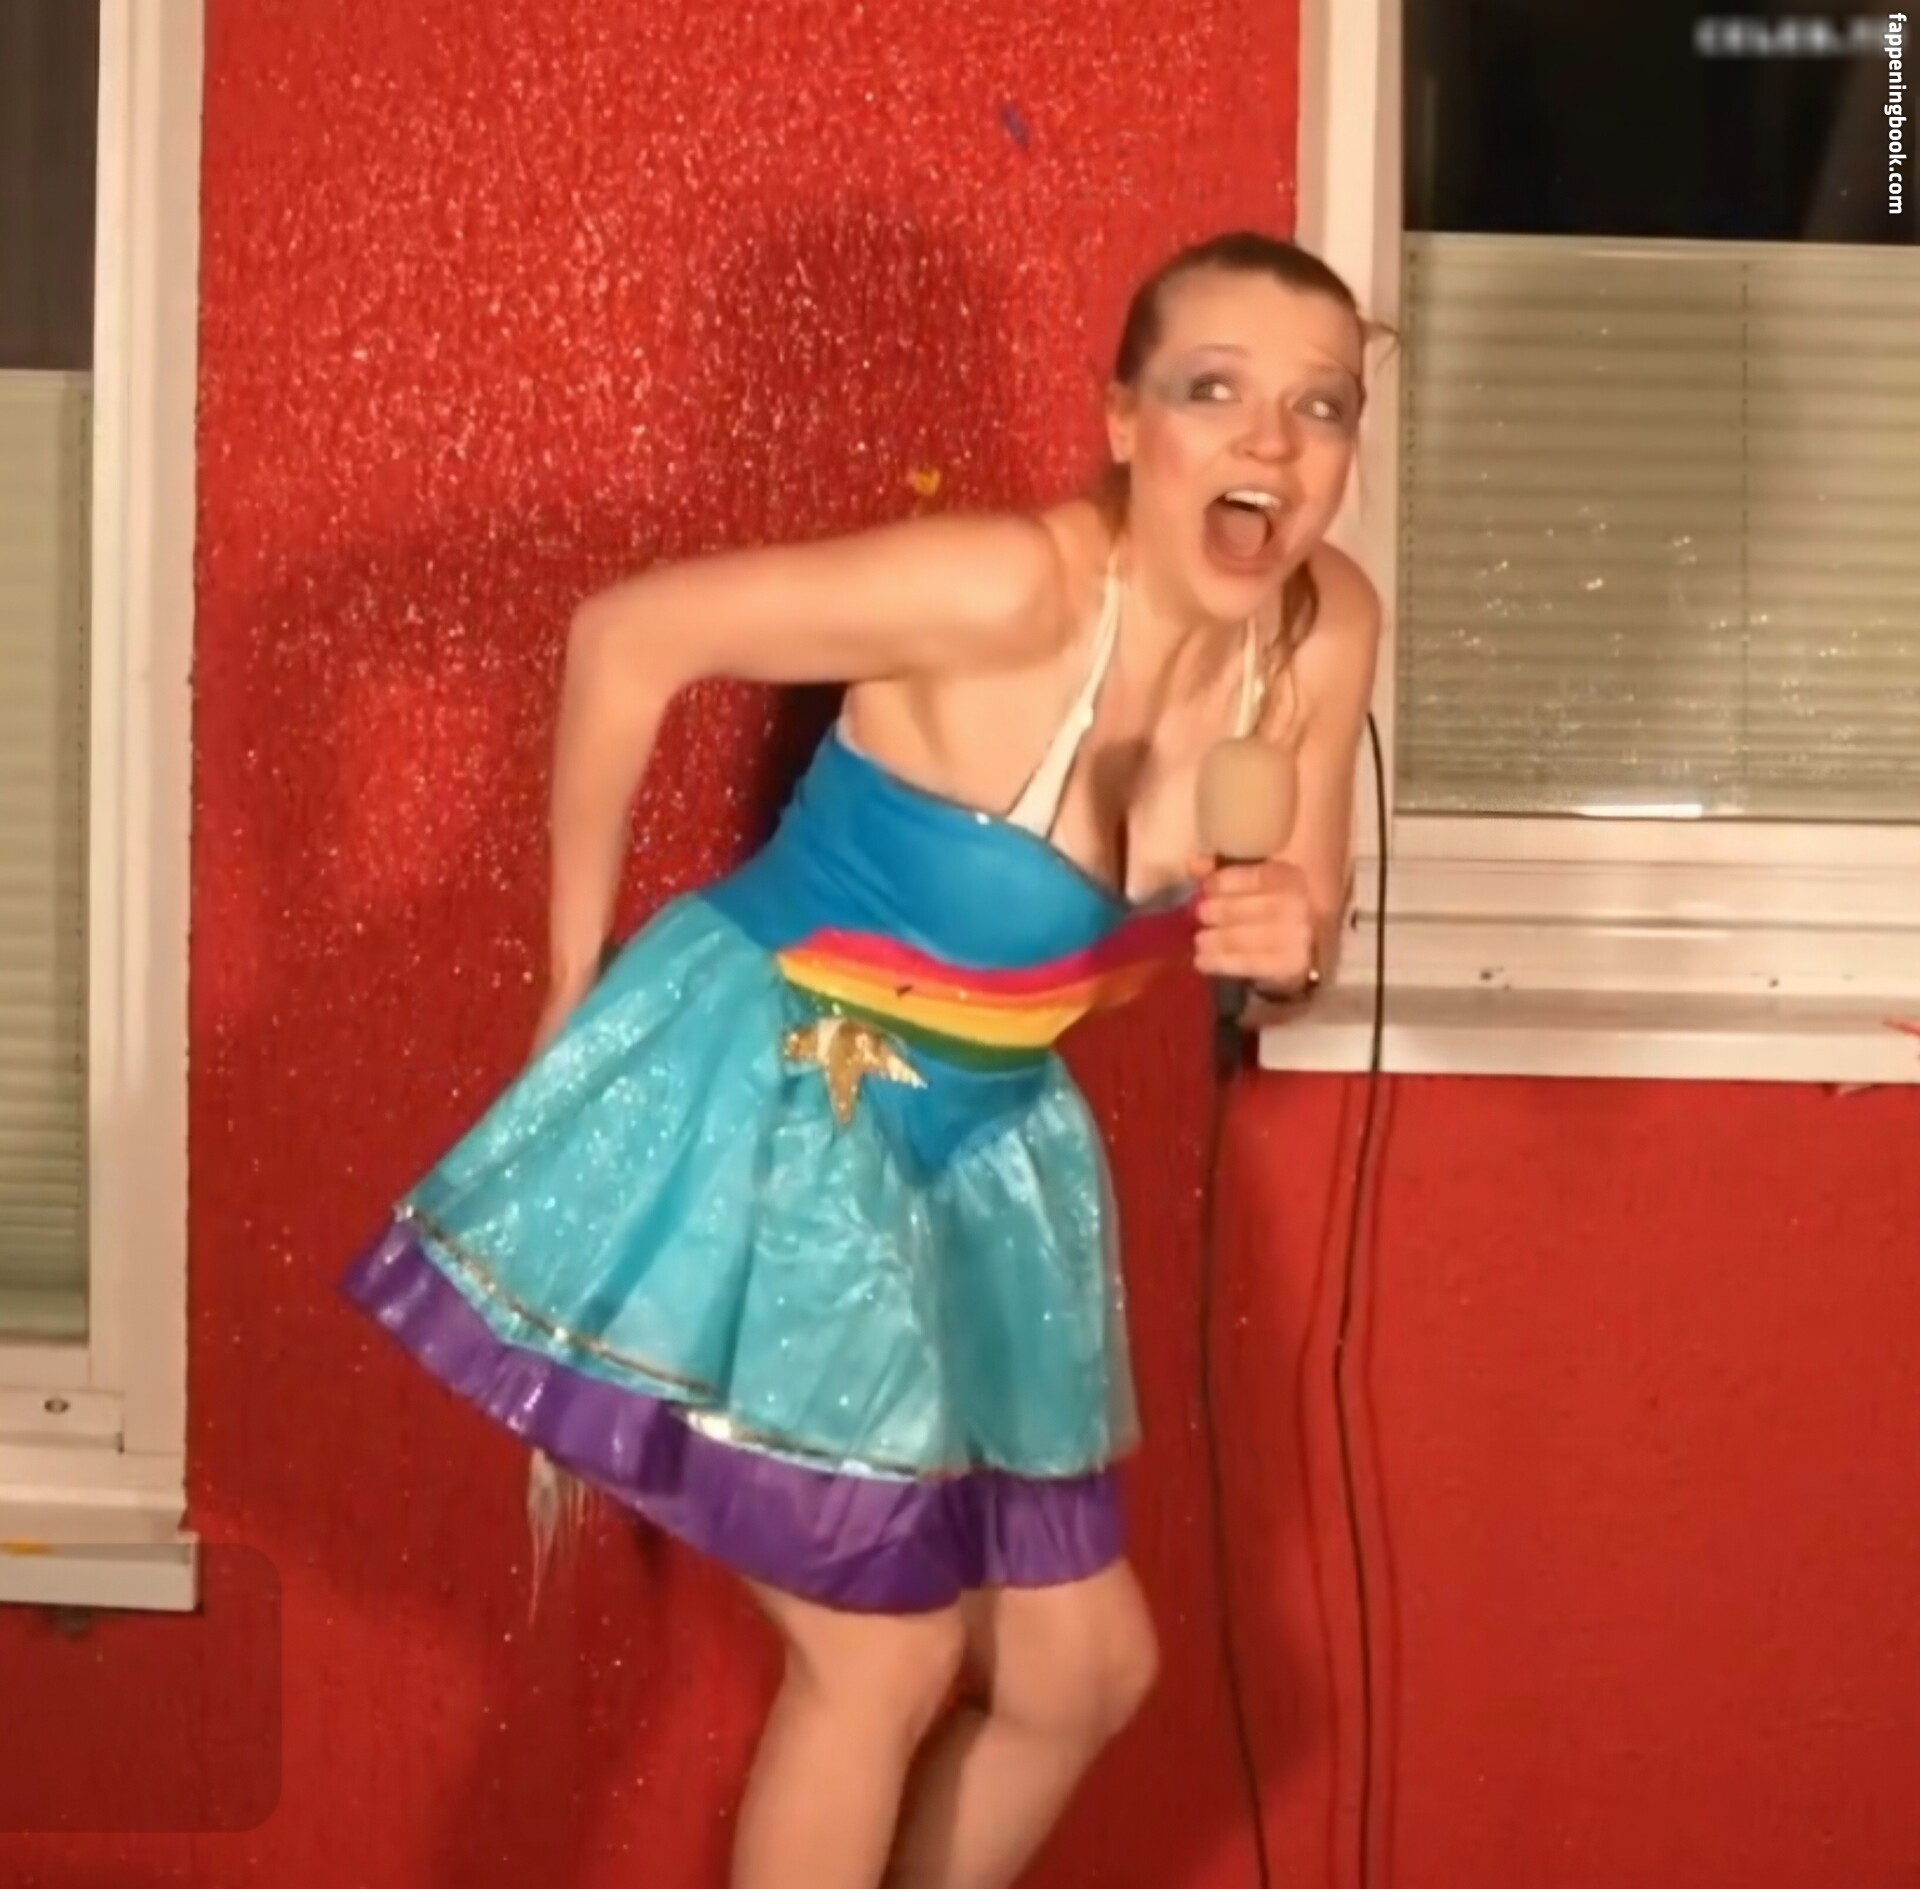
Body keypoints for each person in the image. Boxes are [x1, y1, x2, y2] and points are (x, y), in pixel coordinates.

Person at [343, 229, 1381, 1889]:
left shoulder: (1318, 636)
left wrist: (1296, 942)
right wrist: (566, 978)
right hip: (779, 1096)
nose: (1274, 439)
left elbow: (1298, 932)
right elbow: (626, 634)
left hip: (987, 1141)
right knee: (883, 1657)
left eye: (1321, 406)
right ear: (1125, 423)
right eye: (1216, 390)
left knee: (1079, 1673)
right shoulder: (1008, 589)